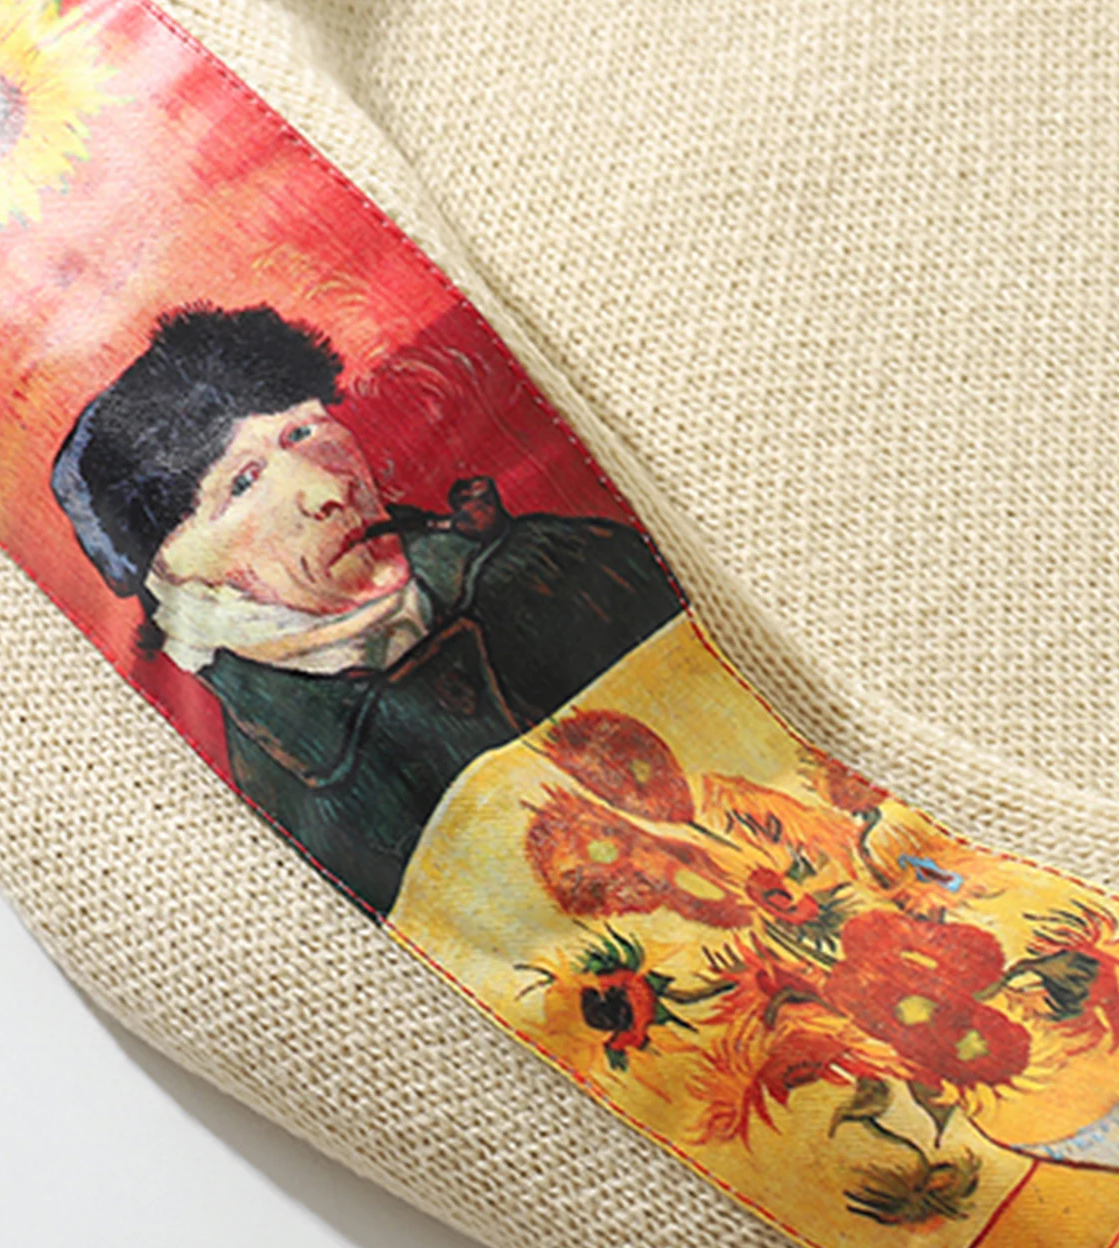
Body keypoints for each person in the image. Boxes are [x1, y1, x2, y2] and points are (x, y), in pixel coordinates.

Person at [52, 305, 682, 915]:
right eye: (243, 483)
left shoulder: (562, 565)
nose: (331, 489)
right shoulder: (272, 809)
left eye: (303, 433)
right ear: (177, 572)